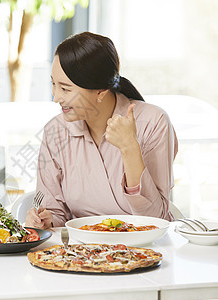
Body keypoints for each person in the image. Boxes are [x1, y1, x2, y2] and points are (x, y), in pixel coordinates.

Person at [26, 32, 178, 229]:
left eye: (66, 89)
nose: (56, 97)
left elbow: (156, 220)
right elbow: (55, 211)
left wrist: (129, 148)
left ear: (100, 91)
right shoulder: (56, 131)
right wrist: (46, 219)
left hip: (143, 248)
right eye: (53, 85)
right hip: (79, 253)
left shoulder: (153, 122)